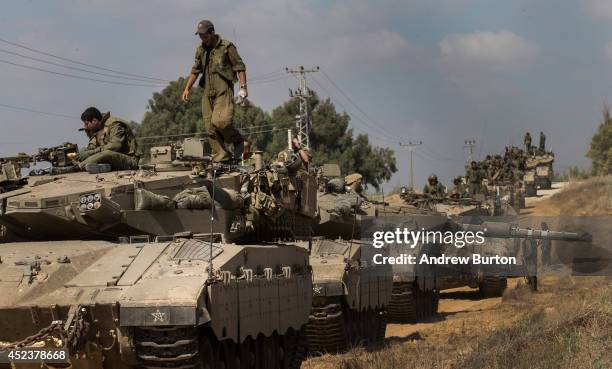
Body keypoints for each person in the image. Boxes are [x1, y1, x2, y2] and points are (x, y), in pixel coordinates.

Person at [182, 20, 248, 163]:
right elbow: (196, 70)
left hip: (223, 89)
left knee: (221, 122)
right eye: (200, 35)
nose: (202, 38)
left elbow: (240, 67)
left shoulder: (226, 47)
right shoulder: (200, 49)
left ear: (212, 33)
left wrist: (243, 88)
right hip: (207, 91)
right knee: (210, 127)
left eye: (204, 35)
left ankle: (239, 141)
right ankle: (222, 153)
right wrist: (187, 88)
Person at [76, 107, 139, 171]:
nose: (85, 127)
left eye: (86, 124)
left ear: (94, 121)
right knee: (84, 150)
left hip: (129, 160)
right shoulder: (99, 128)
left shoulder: (114, 124)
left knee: (106, 153)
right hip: (113, 161)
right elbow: (92, 146)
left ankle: (78, 167)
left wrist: (94, 152)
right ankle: (77, 164)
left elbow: (115, 146)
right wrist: (83, 153)